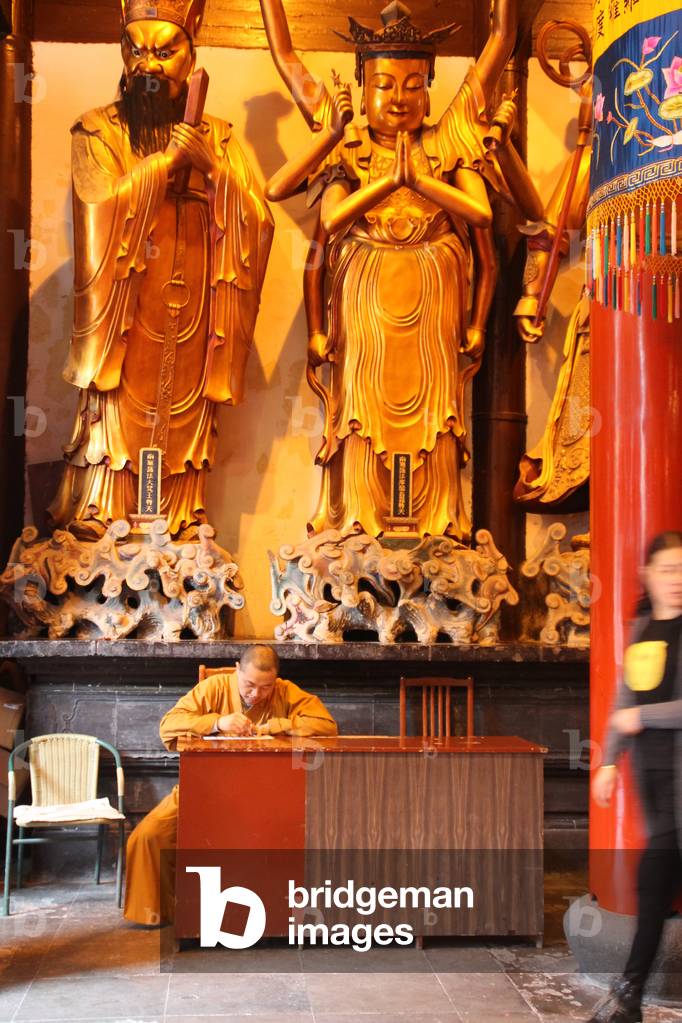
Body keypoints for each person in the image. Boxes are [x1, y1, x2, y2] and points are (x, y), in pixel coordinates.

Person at [48, 0, 273, 540]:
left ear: (191, 57)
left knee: (182, 415)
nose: (149, 64)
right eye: (137, 49)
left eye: (165, 51)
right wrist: (165, 167)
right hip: (125, 309)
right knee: (115, 415)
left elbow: (259, 223)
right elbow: (98, 206)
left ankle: (176, 516)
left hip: (195, 303)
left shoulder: (216, 137)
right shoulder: (97, 131)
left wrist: (211, 169)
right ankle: (103, 513)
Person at [123, 645, 338, 925]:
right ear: (237, 669)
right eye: (249, 685)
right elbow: (168, 725)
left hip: (266, 792)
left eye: (265, 687)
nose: (255, 694)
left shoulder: (285, 691)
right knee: (148, 836)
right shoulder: (214, 687)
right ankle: (158, 913)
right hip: (206, 788)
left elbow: (327, 726)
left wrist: (277, 725)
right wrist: (217, 722)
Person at [590, 531, 682, 1022]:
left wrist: (645, 719)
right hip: (653, 775)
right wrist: (608, 760)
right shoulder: (643, 627)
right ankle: (630, 994)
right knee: (661, 877)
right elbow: (625, 700)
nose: (677, 580)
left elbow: (642, 711)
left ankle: (629, 994)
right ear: (649, 575)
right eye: (668, 570)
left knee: (653, 878)